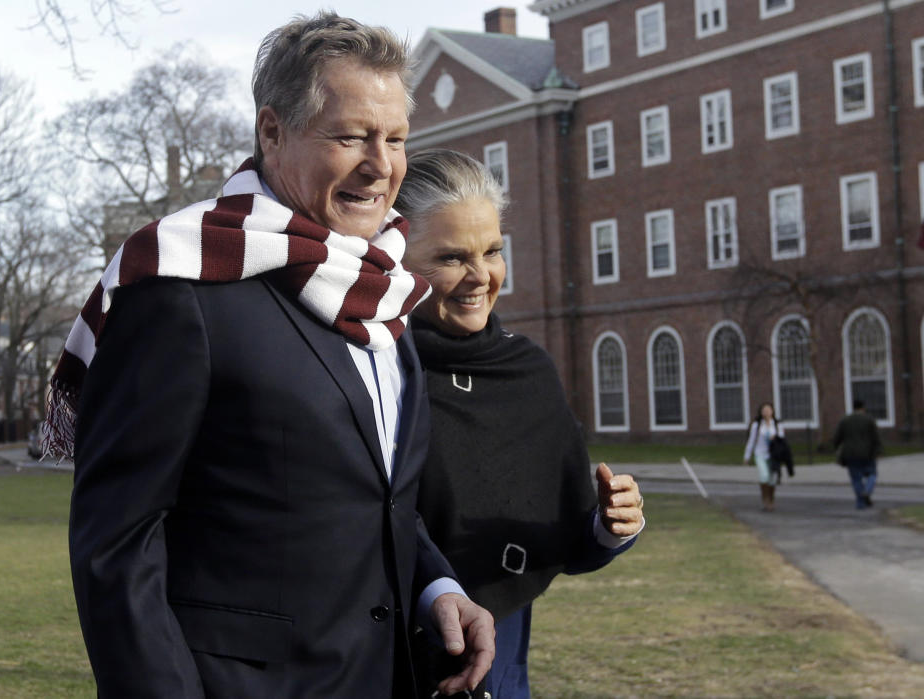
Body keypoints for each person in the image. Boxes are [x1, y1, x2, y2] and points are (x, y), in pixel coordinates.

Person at [48, 14, 494, 698]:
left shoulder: (386, 291)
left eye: (396, 139)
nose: (382, 165)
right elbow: (116, 545)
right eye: (350, 136)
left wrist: (435, 584)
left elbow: (373, 498)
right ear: (272, 131)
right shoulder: (181, 285)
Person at [392, 149, 644, 698]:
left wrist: (610, 522)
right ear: (398, 259)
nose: (480, 276)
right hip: (388, 663)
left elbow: (571, 535)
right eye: (452, 258)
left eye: (493, 251)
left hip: (503, 665)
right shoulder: (376, 368)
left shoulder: (527, 369)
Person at [833, 399, 882, 509]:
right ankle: (867, 491)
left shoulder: (845, 420)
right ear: (863, 407)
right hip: (868, 453)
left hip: (850, 454)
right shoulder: (869, 420)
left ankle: (860, 503)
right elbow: (876, 437)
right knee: (872, 474)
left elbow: (837, 438)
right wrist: (878, 451)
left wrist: (837, 449)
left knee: (856, 479)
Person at [743, 402, 784, 511]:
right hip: (760, 453)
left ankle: (771, 499)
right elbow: (751, 441)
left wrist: (775, 437)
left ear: (772, 411)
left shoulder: (777, 424)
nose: (766, 412)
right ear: (761, 412)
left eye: (768, 410)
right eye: (764, 410)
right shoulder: (756, 425)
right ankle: (765, 500)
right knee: (764, 475)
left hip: (773, 455)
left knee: (772, 478)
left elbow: (782, 440)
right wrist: (747, 455)